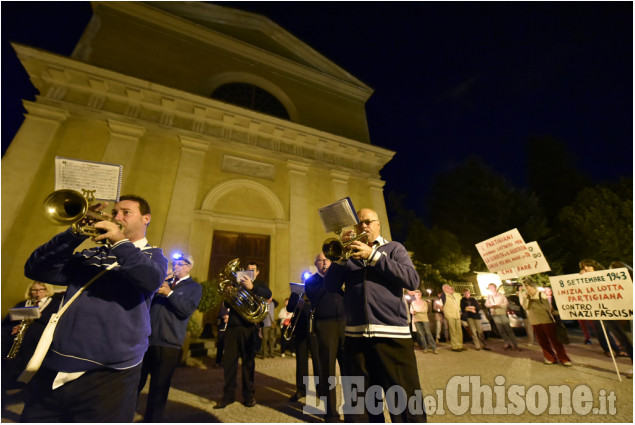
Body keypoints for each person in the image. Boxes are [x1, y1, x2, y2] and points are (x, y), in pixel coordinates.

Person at [21, 195, 168, 422]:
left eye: (126, 212)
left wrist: (120, 242)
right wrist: (74, 234)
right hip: (55, 364)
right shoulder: (91, 254)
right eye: (115, 212)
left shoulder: (153, 256)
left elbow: (149, 279)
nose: (117, 217)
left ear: (146, 218)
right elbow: (36, 270)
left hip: (108, 375)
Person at [324, 208, 426, 422]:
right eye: (359, 223)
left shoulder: (394, 248)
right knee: (360, 407)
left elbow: (411, 280)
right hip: (355, 339)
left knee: (406, 404)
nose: (364, 226)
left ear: (378, 225)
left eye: (368, 221)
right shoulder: (347, 256)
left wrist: (373, 257)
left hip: (393, 337)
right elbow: (330, 285)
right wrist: (341, 258)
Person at [137, 253, 202, 422]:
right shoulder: (163, 282)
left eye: (180, 264)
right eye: (174, 263)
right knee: (135, 382)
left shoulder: (193, 287)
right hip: (146, 340)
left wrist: (169, 293)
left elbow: (186, 310)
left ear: (189, 266)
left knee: (159, 387)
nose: (176, 266)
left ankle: (153, 420)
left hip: (168, 343)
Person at [214, 262, 272, 409]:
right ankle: (228, 396)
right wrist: (228, 293)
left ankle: (248, 395)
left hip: (249, 328)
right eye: (247, 269)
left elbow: (268, 294)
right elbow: (227, 306)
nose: (249, 272)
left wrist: (252, 288)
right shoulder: (236, 284)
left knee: (248, 363)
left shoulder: (260, 284)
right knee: (229, 363)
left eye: (252, 270)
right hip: (233, 327)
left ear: (257, 272)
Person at [1, 282, 63, 402]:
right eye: (34, 290)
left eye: (41, 290)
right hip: (16, 343)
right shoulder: (23, 304)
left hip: (36, 344)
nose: (37, 293)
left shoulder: (55, 304)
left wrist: (38, 317)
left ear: (47, 290)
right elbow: (6, 322)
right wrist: (14, 327)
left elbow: (55, 324)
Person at [305, 252, 347, 420]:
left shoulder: (339, 278)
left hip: (345, 324)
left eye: (328, 259)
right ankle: (331, 413)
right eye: (321, 260)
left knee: (349, 370)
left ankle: (354, 412)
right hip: (325, 326)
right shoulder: (312, 281)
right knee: (327, 371)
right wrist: (329, 277)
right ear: (315, 264)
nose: (325, 262)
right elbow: (316, 296)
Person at [519, 279, 571, 366]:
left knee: (555, 341)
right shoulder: (525, 295)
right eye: (525, 287)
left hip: (546, 320)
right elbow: (526, 307)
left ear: (533, 286)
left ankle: (564, 358)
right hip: (535, 321)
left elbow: (546, 307)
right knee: (542, 341)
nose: (527, 289)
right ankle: (550, 357)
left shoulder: (541, 294)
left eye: (528, 287)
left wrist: (533, 300)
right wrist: (527, 299)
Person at [285, 291, 320, 404]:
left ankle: (321, 390)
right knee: (301, 360)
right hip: (300, 329)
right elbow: (290, 308)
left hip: (314, 329)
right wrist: (296, 303)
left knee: (317, 360)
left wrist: (307, 305)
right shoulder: (296, 293)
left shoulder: (315, 290)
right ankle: (301, 390)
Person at [484, 283, 521, 351]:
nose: (491, 289)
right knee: (501, 330)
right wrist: (492, 306)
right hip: (494, 314)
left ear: (495, 288)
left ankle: (515, 343)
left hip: (502, 313)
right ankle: (507, 342)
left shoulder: (501, 295)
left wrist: (499, 305)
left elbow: (506, 303)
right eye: (490, 288)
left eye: (492, 287)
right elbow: (486, 304)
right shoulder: (489, 296)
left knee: (508, 329)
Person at [442, 284, 464, 352]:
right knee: (453, 331)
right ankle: (455, 346)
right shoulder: (443, 296)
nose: (450, 289)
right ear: (444, 289)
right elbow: (440, 305)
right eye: (448, 288)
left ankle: (460, 345)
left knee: (459, 330)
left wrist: (459, 311)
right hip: (450, 315)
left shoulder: (452, 296)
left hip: (457, 314)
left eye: (450, 288)